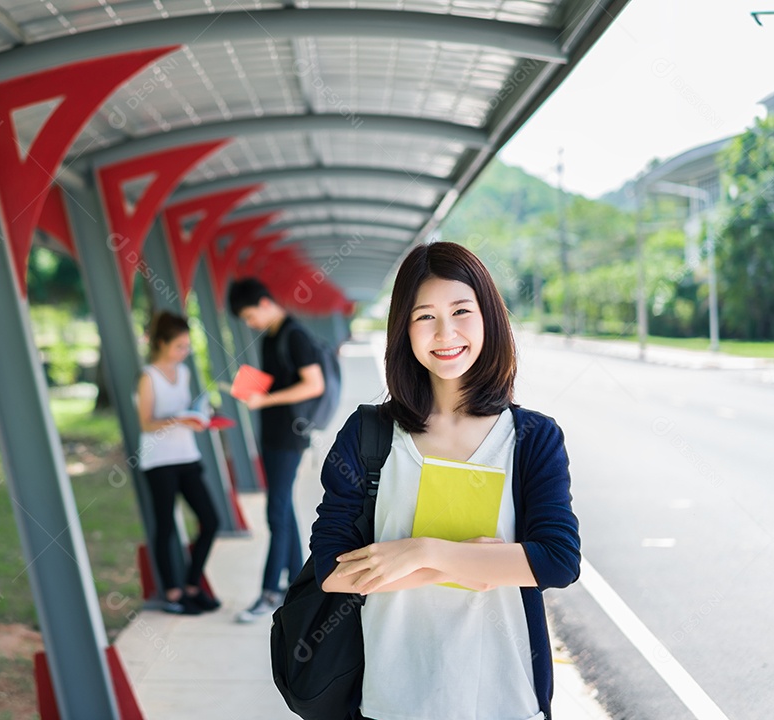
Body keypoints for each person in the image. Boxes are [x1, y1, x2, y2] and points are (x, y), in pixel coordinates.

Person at [311, 242, 581, 720]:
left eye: (461, 311)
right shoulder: (370, 434)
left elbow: (557, 561)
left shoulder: (532, 438)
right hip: (393, 696)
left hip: (506, 695)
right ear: (404, 329)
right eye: (425, 317)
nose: (445, 332)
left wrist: (426, 551)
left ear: (488, 319)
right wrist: (472, 565)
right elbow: (333, 572)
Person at [227, 278, 326, 623]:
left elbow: (314, 384)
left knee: (276, 511)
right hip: (273, 435)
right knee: (282, 510)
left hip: (288, 437)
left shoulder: (294, 335)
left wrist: (266, 398)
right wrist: (249, 388)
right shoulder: (272, 334)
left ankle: (271, 592)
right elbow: (280, 380)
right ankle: (299, 582)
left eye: (251, 316)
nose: (250, 323)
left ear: (266, 303)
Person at [136, 311, 221, 615]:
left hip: (187, 455)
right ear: (161, 343)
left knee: (210, 520)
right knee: (166, 526)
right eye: (179, 347)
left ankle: (191, 585)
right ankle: (173, 593)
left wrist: (195, 418)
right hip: (159, 460)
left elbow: (185, 409)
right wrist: (178, 418)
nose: (184, 352)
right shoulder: (149, 377)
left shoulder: (183, 373)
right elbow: (146, 423)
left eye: (187, 346)